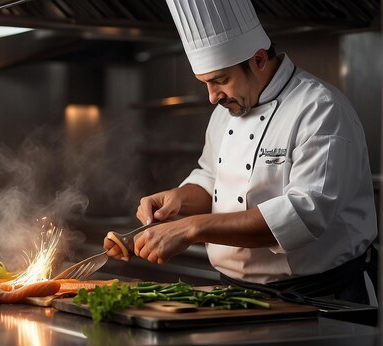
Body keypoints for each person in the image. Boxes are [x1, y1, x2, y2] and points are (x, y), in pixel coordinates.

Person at [104, 0, 378, 304]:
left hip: (319, 299)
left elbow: (303, 216)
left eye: (220, 80)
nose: (211, 97)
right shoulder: (226, 112)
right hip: (235, 296)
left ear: (258, 59)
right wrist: (179, 198)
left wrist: (191, 228)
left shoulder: (319, 109)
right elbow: (213, 179)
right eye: (205, 83)